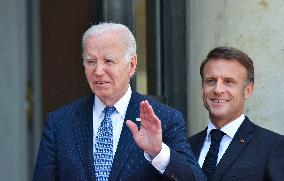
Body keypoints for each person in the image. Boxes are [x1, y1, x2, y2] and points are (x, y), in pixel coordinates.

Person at [33, 22, 205, 181]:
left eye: (108, 61)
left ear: (131, 64)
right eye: (91, 62)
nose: (98, 71)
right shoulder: (59, 123)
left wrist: (159, 152)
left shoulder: (165, 118)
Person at [189, 46, 284, 181]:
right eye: (211, 81)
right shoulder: (187, 146)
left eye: (229, 82)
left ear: (248, 90)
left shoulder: (273, 147)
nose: (218, 89)